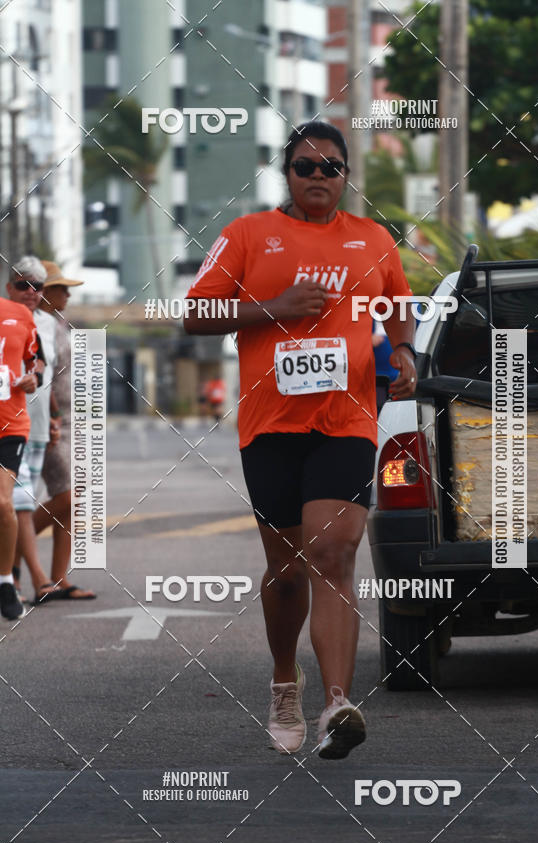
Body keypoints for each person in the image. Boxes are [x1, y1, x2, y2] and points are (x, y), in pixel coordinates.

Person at [185, 121, 417, 759]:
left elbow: (397, 302)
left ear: (346, 176)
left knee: (336, 554)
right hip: (270, 426)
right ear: (286, 174)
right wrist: (274, 307)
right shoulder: (247, 235)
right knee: (286, 572)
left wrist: (402, 351)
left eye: (331, 168)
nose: (318, 177)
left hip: (346, 421)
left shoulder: (371, 239)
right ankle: (285, 681)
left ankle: (336, 704)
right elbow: (195, 312)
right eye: (305, 167)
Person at [33, 261, 96, 602]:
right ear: (43, 291)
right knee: (68, 496)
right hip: (50, 420)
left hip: (71, 418)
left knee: (71, 502)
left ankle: (58, 579)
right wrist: (49, 418)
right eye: (61, 288)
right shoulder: (35, 326)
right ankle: (13, 541)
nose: (68, 294)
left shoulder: (58, 323)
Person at [0, 265, 40, 620]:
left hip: (10, 423)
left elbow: (35, 359)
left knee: (3, 503)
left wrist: (33, 377)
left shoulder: (20, 314)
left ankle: (6, 581)